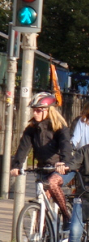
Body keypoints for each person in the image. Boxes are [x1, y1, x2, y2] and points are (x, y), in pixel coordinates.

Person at [10, 92, 72, 227]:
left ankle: (67, 217)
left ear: (48, 110)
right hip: (43, 168)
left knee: (52, 183)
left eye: (38, 110)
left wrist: (65, 162)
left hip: (61, 169)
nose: (35, 113)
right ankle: (42, 241)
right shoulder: (31, 129)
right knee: (41, 203)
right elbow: (23, 148)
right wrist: (16, 165)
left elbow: (66, 146)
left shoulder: (60, 128)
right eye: (34, 110)